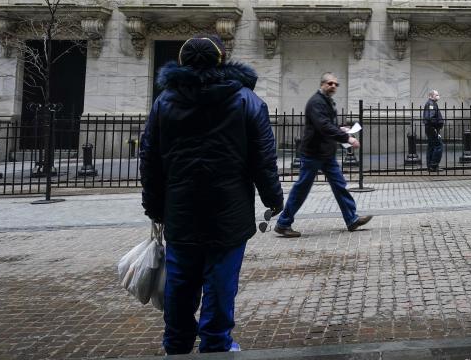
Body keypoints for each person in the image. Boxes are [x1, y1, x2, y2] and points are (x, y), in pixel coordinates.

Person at [140, 35, 284, 355]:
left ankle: (176, 344)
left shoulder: (165, 101)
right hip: (229, 208)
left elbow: (149, 159)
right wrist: (274, 199)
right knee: (220, 281)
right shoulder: (247, 99)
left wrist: (154, 206)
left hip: (181, 207)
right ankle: (216, 343)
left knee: (180, 281)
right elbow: (263, 158)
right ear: (222, 60)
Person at [274, 72, 373, 237]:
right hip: (313, 153)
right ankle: (283, 223)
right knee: (302, 188)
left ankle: (352, 219)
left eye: (335, 84)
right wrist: (347, 137)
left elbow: (327, 125)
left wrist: (340, 129)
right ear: (322, 84)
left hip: (326, 153)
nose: (333, 86)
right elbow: (323, 126)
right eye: (329, 83)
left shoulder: (327, 101)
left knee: (339, 185)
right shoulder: (316, 102)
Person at [422, 90, 444, 172]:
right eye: (436, 95)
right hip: (432, 129)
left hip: (431, 128)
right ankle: (434, 165)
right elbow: (430, 118)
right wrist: (436, 126)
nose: (438, 96)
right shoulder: (431, 104)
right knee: (439, 146)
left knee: (431, 147)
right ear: (431, 96)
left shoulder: (432, 103)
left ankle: (431, 166)